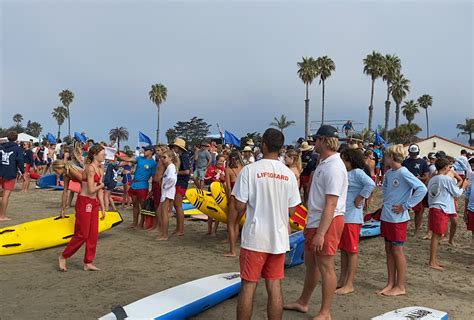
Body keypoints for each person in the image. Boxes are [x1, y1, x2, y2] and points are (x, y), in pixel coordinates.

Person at [233, 128, 300, 320]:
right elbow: (293, 210)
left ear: (263, 145)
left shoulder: (249, 170)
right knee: (274, 285)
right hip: (278, 238)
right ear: (280, 148)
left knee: (248, 285)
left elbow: (238, 206)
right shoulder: (287, 174)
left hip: (255, 237)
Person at [284, 125, 347, 320]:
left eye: (316, 140)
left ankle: (325, 312)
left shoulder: (335, 166)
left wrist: (321, 233)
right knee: (311, 264)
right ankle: (303, 302)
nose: (313, 143)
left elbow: (331, 202)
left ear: (323, 141)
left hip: (327, 222)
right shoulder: (324, 162)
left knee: (326, 266)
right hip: (316, 220)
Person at [377, 144, 427, 296]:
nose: (384, 158)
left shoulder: (403, 171)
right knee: (388, 250)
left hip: (398, 219)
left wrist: (406, 205)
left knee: (397, 251)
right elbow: (387, 192)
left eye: (386, 156)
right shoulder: (390, 173)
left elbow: (421, 188)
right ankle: (391, 282)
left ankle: (401, 286)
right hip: (387, 216)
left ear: (391, 157)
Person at [58, 144, 106, 272]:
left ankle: (88, 262)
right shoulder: (90, 168)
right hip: (84, 202)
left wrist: (103, 207)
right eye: (102, 154)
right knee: (82, 234)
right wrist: (101, 185)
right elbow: (91, 189)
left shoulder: (100, 169)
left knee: (93, 235)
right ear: (95, 155)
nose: (105, 156)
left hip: (93, 202)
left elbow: (98, 192)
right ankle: (64, 256)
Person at [336, 148, 375, 295]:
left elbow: (370, 184)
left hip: (352, 217)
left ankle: (349, 283)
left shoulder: (357, 173)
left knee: (351, 251)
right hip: (344, 216)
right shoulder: (346, 173)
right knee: (344, 250)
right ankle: (342, 279)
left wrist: (361, 197)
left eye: (344, 159)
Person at [427, 157, 468, 270]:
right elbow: (456, 193)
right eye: (449, 167)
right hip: (441, 209)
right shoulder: (445, 179)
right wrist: (463, 187)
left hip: (435, 208)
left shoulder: (433, 179)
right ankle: (432, 262)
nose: (450, 168)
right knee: (437, 236)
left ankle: (434, 260)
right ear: (445, 167)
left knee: (437, 235)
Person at [120, 145, 157, 229]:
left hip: (143, 186)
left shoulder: (153, 163)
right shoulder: (139, 158)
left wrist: (152, 190)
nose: (144, 151)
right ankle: (135, 222)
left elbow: (154, 177)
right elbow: (128, 159)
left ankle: (141, 224)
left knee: (143, 206)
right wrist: (117, 155)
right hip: (134, 184)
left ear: (151, 151)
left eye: (146, 150)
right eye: (144, 150)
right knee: (135, 205)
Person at [402, 144, 430, 239]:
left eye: (415, 153)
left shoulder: (423, 162)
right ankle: (403, 229)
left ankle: (416, 232)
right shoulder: (405, 162)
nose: (413, 154)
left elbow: (426, 176)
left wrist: (419, 178)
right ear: (409, 152)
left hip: (417, 190)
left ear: (418, 152)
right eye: (412, 153)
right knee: (404, 209)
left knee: (418, 212)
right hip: (406, 189)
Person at [0, 131, 25, 221]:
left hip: (1, 171)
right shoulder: (17, 149)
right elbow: (20, 161)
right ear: (16, 138)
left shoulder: (1, 146)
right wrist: (23, 172)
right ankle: (2, 216)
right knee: (6, 195)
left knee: (3, 193)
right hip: (10, 173)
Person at [224, 150, 244, 257]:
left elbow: (228, 187)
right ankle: (234, 246)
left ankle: (232, 251)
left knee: (231, 225)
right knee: (237, 223)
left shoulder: (228, 170)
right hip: (244, 199)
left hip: (234, 197)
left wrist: (228, 199)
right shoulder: (244, 169)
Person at [157, 150, 179, 241]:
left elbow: (172, 179)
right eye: (162, 157)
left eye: (164, 157)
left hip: (167, 192)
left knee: (164, 213)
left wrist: (166, 186)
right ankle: (162, 232)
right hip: (166, 191)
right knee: (160, 212)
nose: (162, 159)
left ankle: (165, 234)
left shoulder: (171, 167)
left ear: (170, 158)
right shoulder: (169, 167)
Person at [170, 138, 190, 236]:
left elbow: (187, 171)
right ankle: (179, 228)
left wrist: (175, 173)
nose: (173, 148)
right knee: (177, 205)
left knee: (178, 205)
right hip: (180, 182)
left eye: (175, 146)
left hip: (182, 183)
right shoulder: (181, 156)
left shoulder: (184, 157)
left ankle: (181, 229)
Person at [204, 154, 226, 235]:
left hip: (220, 191)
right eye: (220, 161)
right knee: (210, 210)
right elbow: (206, 180)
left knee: (217, 211)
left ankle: (214, 230)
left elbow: (226, 181)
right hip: (211, 190)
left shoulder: (225, 170)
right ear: (216, 160)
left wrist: (222, 177)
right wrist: (213, 174)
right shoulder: (211, 168)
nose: (222, 163)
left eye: (223, 161)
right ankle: (209, 230)